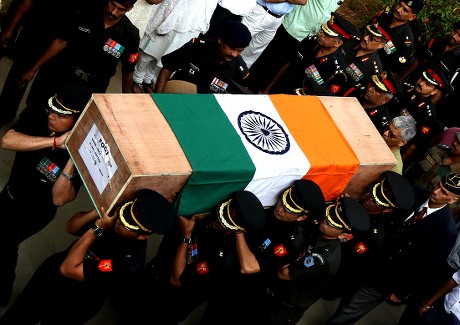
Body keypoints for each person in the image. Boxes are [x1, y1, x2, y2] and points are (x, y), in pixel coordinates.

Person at [0, 189, 177, 324]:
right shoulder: (114, 221)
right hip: (48, 280)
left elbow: (68, 268)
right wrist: (97, 212)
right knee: (17, 316)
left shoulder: (128, 262)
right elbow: (71, 227)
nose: (118, 223)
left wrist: (97, 228)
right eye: (121, 217)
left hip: (73, 304)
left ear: (142, 235)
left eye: (126, 225)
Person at [328, 172, 460, 325]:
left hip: (388, 276)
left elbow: (427, 267)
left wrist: (402, 292)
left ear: (453, 199)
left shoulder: (446, 230)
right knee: (345, 297)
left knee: (349, 312)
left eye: (443, 192)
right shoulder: (415, 194)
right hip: (369, 257)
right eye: (439, 185)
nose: (435, 191)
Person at [0, 84, 91, 305]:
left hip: (33, 213)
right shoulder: (42, 119)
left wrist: (71, 157)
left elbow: (60, 198)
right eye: (52, 110)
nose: (52, 116)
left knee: (6, 242)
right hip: (10, 193)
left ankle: (2, 291)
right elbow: (7, 140)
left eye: (61, 115)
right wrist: (53, 142)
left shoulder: (85, 153)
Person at [123, 190, 267, 325]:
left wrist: (186, 237)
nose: (218, 220)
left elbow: (177, 281)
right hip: (153, 275)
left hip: (168, 303)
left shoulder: (221, 257)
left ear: (237, 230)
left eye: (225, 224)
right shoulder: (209, 219)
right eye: (220, 215)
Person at [261, 196, 370, 325]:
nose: (326, 221)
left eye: (334, 223)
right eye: (330, 216)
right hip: (278, 292)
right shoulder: (321, 233)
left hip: (286, 305)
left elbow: (283, 273)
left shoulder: (323, 259)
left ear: (343, 235)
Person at [19, 0, 140, 109]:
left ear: (130, 9)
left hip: (88, 89)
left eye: (121, 9)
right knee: (35, 110)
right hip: (59, 75)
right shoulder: (85, 12)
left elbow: (128, 71)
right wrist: (33, 69)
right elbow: (61, 41)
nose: (113, 12)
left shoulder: (131, 35)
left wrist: (126, 101)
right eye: (112, 4)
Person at [325, 171, 415, 306]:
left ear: (388, 210)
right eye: (375, 193)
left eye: (378, 201)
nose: (371, 198)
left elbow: (347, 257)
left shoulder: (373, 234)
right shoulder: (353, 202)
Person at [0, 0, 74, 126]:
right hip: (34, 34)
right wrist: (10, 29)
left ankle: (29, 120)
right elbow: (27, 1)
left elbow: (62, 41)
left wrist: (34, 69)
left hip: (59, 44)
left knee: (43, 87)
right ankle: (4, 113)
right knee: (17, 78)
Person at [246, 0, 343, 93]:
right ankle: (248, 87)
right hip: (293, 27)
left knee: (284, 66)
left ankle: (262, 91)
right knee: (269, 59)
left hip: (311, 36)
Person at [131, 0, 217, 93]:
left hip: (195, 20)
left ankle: (147, 79)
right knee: (152, 50)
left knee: (168, 56)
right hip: (174, 10)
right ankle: (137, 79)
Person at [263, 12, 359, 95]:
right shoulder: (310, 41)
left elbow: (323, 99)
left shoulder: (337, 72)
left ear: (338, 43)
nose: (321, 34)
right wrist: (268, 89)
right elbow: (289, 64)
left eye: (327, 34)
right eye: (323, 30)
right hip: (277, 90)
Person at [154, 21, 252, 94]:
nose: (235, 54)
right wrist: (157, 98)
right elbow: (168, 68)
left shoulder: (240, 71)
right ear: (220, 40)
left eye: (240, 51)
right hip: (177, 94)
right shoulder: (196, 47)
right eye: (232, 48)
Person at [305, 23, 386, 96]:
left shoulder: (374, 69)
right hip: (314, 75)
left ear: (381, 45)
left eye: (372, 39)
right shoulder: (350, 41)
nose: (365, 38)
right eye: (367, 33)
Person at [398, 67, 450, 166]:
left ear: (434, 92)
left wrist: (398, 164)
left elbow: (414, 145)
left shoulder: (428, 114)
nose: (421, 84)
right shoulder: (408, 90)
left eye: (428, 84)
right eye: (422, 79)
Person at [239, 0, 306, 69]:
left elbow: (303, 1)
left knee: (253, 52)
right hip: (260, 12)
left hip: (278, 19)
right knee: (238, 42)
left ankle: (237, 74)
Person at [369, 0, 424, 76]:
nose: (399, 10)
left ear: (412, 17)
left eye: (405, 10)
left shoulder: (407, 40)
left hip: (374, 71)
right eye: (399, 5)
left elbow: (395, 68)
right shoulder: (383, 16)